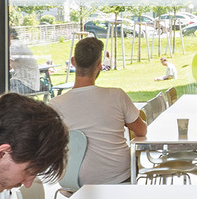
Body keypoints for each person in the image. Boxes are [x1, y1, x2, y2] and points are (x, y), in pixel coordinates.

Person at [49, 36, 145, 184]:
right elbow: (141, 131)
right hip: (120, 178)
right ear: (100, 65)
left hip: (74, 182)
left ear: (73, 62)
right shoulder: (117, 96)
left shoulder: (55, 105)